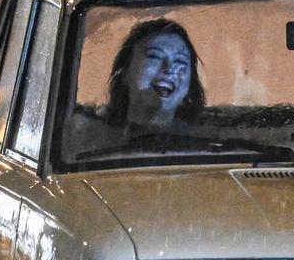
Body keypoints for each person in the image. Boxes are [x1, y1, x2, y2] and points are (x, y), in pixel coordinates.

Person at [67, 18, 204, 157]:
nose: (169, 69)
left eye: (180, 61)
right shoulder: (85, 137)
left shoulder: (205, 143)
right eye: (154, 56)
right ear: (125, 71)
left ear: (190, 85)